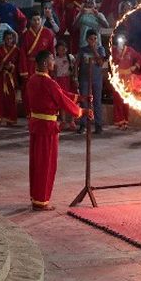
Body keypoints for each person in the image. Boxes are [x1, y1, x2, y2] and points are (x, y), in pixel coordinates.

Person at [26, 50, 85, 211]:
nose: (54, 63)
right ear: (45, 63)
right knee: (46, 164)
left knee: (36, 163)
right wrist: (80, 111)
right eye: (52, 60)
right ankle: (41, 200)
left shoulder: (33, 80)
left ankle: (36, 197)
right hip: (47, 128)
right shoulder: (48, 82)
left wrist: (78, 98)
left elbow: (59, 93)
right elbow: (60, 99)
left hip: (37, 125)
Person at [19, 11, 56, 112]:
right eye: (34, 20)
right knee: (29, 90)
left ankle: (43, 111)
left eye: (38, 19)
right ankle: (30, 113)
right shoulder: (25, 35)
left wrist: (51, 66)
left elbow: (51, 51)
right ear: (30, 21)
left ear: (41, 20)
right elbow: (22, 54)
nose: (36, 22)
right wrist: (24, 70)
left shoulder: (48, 33)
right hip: (30, 65)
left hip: (43, 65)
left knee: (44, 88)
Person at [77, 30, 105, 134]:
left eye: (95, 39)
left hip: (97, 79)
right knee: (84, 102)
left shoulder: (101, 49)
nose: (93, 41)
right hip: (84, 79)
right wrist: (75, 77)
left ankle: (98, 125)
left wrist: (94, 50)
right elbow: (76, 64)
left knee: (97, 102)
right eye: (90, 39)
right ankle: (83, 125)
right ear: (87, 40)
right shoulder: (82, 50)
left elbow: (101, 63)